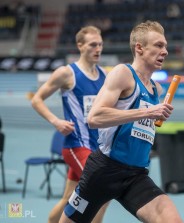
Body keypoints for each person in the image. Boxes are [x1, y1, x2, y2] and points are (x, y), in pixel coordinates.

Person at [59, 20, 183, 223]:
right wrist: (146, 112)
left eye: (166, 46)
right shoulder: (123, 74)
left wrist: (151, 115)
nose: (165, 51)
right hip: (104, 171)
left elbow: (139, 126)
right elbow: (94, 117)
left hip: (136, 175)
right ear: (140, 48)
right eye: (159, 45)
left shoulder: (156, 90)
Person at [31, 25, 109, 223]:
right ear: (80, 46)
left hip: (95, 148)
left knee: (69, 198)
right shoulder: (67, 73)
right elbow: (36, 99)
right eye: (93, 45)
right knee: (102, 189)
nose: (98, 49)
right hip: (76, 145)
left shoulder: (104, 76)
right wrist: (55, 121)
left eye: (100, 44)